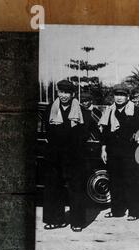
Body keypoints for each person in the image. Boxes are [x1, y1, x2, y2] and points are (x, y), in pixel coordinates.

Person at [98, 83, 139, 221]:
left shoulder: (136, 110)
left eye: (122, 95)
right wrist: (103, 149)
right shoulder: (109, 111)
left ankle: (134, 211)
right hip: (113, 151)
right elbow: (105, 133)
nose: (119, 98)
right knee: (115, 182)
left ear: (127, 97)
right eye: (117, 95)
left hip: (130, 151)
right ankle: (117, 210)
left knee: (132, 181)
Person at [43, 80, 87, 232]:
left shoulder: (80, 110)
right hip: (54, 155)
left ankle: (77, 222)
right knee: (53, 187)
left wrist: (76, 149)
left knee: (76, 189)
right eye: (60, 92)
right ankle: (55, 220)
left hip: (74, 156)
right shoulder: (50, 109)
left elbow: (84, 133)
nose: (63, 95)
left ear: (72, 94)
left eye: (66, 92)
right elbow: (47, 131)